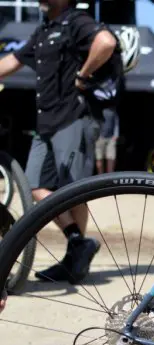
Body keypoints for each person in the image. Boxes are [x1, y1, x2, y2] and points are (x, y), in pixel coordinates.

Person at [0, 0, 117, 283]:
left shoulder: (76, 20)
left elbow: (106, 42)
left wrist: (82, 74)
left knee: (73, 189)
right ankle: (77, 243)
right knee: (34, 187)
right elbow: (11, 62)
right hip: (46, 122)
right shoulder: (44, 30)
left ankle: (75, 259)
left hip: (72, 116)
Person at [95, 107, 118, 174]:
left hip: (111, 138)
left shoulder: (113, 111)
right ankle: (100, 177)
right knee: (99, 158)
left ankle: (109, 176)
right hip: (99, 138)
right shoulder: (98, 110)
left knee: (110, 158)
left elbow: (116, 123)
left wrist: (115, 136)